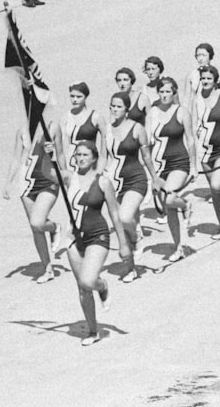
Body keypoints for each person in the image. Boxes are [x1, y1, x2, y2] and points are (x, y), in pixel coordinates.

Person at [63, 139, 130, 346]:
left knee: (88, 281)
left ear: (94, 159)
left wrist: (124, 244)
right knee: (82, 288)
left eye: (85, 155)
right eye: (78, 154)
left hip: (97, 236)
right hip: (75, 237)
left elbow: (115, 214)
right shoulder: (69, 177)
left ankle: (102, 285)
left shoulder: (103, 182)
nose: (81, 158)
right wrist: (46, 151)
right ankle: (93, 331)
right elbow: (51, 169)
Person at [2, 125, 67, 284]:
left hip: (48, 180)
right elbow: (17, 157)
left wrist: (66, 178)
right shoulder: (22, 130)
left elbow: (60, 155)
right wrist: (8, 182)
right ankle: (48, 268)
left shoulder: (52, 128)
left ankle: (54, 227)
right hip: (27, 183)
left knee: (37, 222)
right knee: (36, 229)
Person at [145, 76, 197, 263]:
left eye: (168, 92)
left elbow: (190, 139)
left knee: (170, 197)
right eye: (161, 92)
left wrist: (193, 165)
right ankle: (179, 247)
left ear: (174, 93)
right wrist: (151, 173)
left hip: (179, 162)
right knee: (169, 208)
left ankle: (186, 205)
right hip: (160, 164)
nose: (165, 95)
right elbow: (147, 142)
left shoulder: (181, 111)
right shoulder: (152, 112)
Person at [105, 91, 152, 283]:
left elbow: (146, 156)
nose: (114, 110)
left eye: (118, 106)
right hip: (115, 182)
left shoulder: (137, 128)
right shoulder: (107, 130)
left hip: (136, 180)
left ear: (126, 110)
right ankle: (131, 269)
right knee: (121, 227)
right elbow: (103, 157)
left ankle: (138, 235)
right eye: (112, 106)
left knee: (125, 217)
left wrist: (155, 178)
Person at [192, 64, 220, 240]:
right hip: (205, 151)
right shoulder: (197, 99)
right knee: (215, 191)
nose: (205, 81)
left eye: (209, 78)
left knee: (218, 186)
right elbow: (195, 125)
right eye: (202, 79)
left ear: (216, 80)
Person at [57, 82, 106, 172]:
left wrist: (99, 171)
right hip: (71, 163)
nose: (75, 100)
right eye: (72, 96)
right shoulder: (65, 117)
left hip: (90, 163)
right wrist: (64, 170)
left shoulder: (96, 117)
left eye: (79, 97)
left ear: (85, 97)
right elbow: (62, 148)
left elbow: (104, 152)